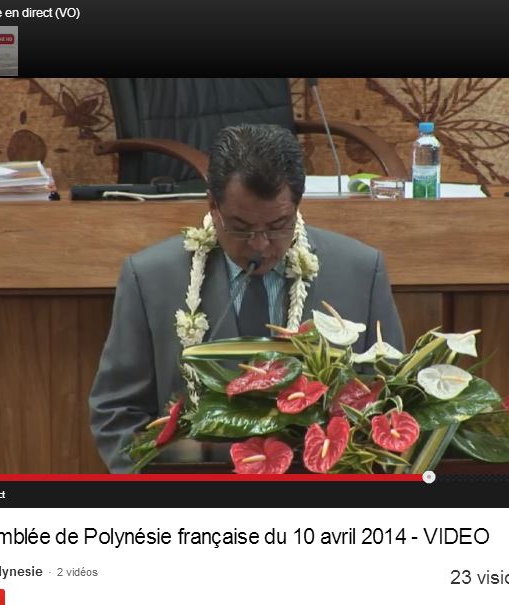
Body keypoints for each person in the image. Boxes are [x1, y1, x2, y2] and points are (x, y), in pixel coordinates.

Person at [89, 123, 404, 472]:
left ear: (297, 205)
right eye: (240, 227)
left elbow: (391, 403)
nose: (260, 244)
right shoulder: (150, 278)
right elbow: (117, 412)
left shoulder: (360, 272)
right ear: (213, 205)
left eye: (278, 225)